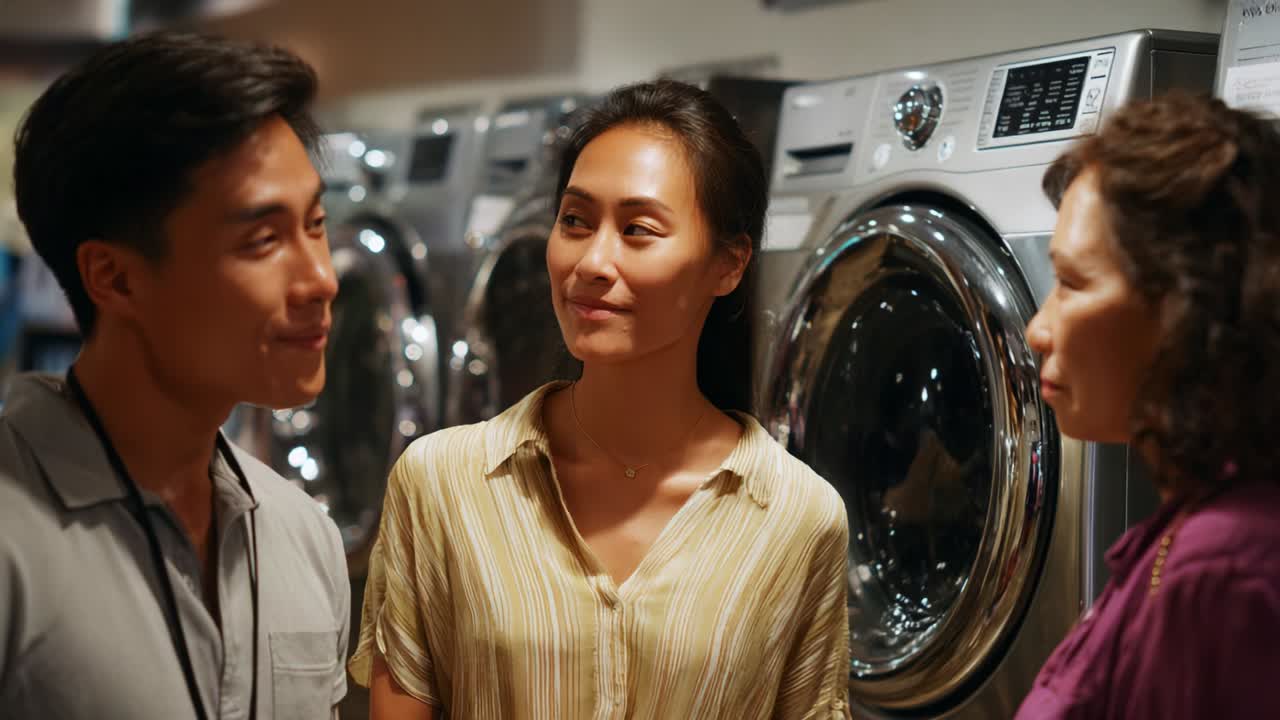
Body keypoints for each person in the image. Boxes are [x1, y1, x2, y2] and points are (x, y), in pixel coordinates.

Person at [348, 79, 852, 719]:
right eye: (575, 221)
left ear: (729, 264)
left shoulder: (799, 517)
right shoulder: (441, 482)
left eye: (638, 229)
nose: (591, 261)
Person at [0, 32, 349, 719]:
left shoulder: (304, 533)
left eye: (316, 224)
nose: (321, 278)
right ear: (115, 277)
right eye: (263, 240)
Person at [1016, 92, 1280, 718]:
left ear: (1186, 311)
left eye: (1073, 283)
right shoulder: (1186, 524)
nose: (1036, 328)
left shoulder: (1225, 568)